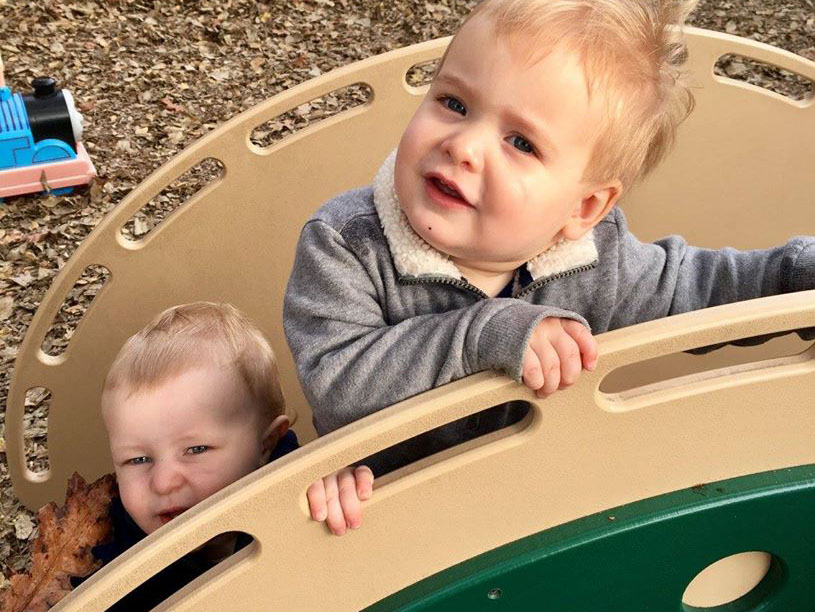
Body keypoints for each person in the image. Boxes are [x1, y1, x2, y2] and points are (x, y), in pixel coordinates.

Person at [284, 0, 815, 476]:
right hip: (382, 516)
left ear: (582, 208)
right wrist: (483, 335)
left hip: (536, 506)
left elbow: (703, 291)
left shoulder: (597, 261)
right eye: (454, 103)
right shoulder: (346, 244)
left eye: (520, 142)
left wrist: (797, 276)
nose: (464, 146)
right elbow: (339, 387)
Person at [72, 302, 371, 610]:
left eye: (196, 450)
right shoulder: (106, 554)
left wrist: (339, 491)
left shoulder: (303, 495)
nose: (163, 483)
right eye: (138, 460)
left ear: (265, 445)